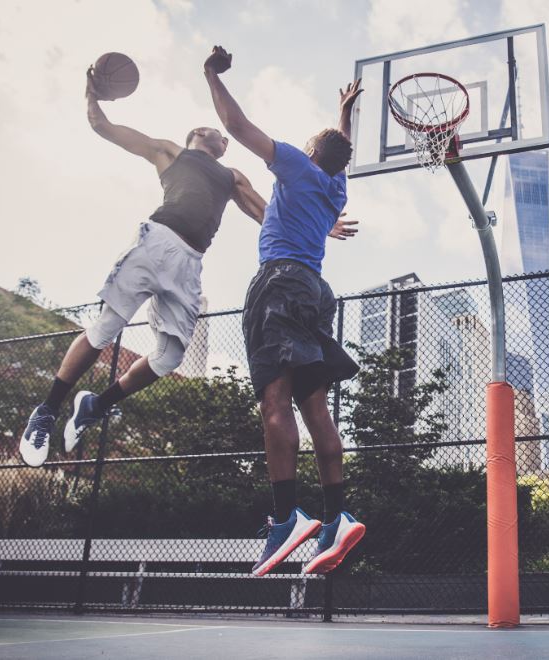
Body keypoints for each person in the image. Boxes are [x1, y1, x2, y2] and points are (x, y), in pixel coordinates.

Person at [18, 65, 355, 468]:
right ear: (198, 132)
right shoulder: (168, 152)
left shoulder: (232, 176)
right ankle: (47, 410)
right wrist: (91, 90)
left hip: (190, 262)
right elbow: (101, 126)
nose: (224, 138)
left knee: (168, 357)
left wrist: (319, 218)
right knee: (108, 327)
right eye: (217, 133)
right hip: (156, 242)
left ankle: (94, 405)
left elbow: (267, 213)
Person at [203, 45, 365, 576]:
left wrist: (210, 73)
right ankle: (337, 516)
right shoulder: (335, 187)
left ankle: (285, 516)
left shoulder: (298, 165)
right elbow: (343, 150)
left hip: (280, 284)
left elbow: (234, 122)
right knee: (315, 407)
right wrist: (343, 113)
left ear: (309, 149)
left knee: (275, 403)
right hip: (316, 292)